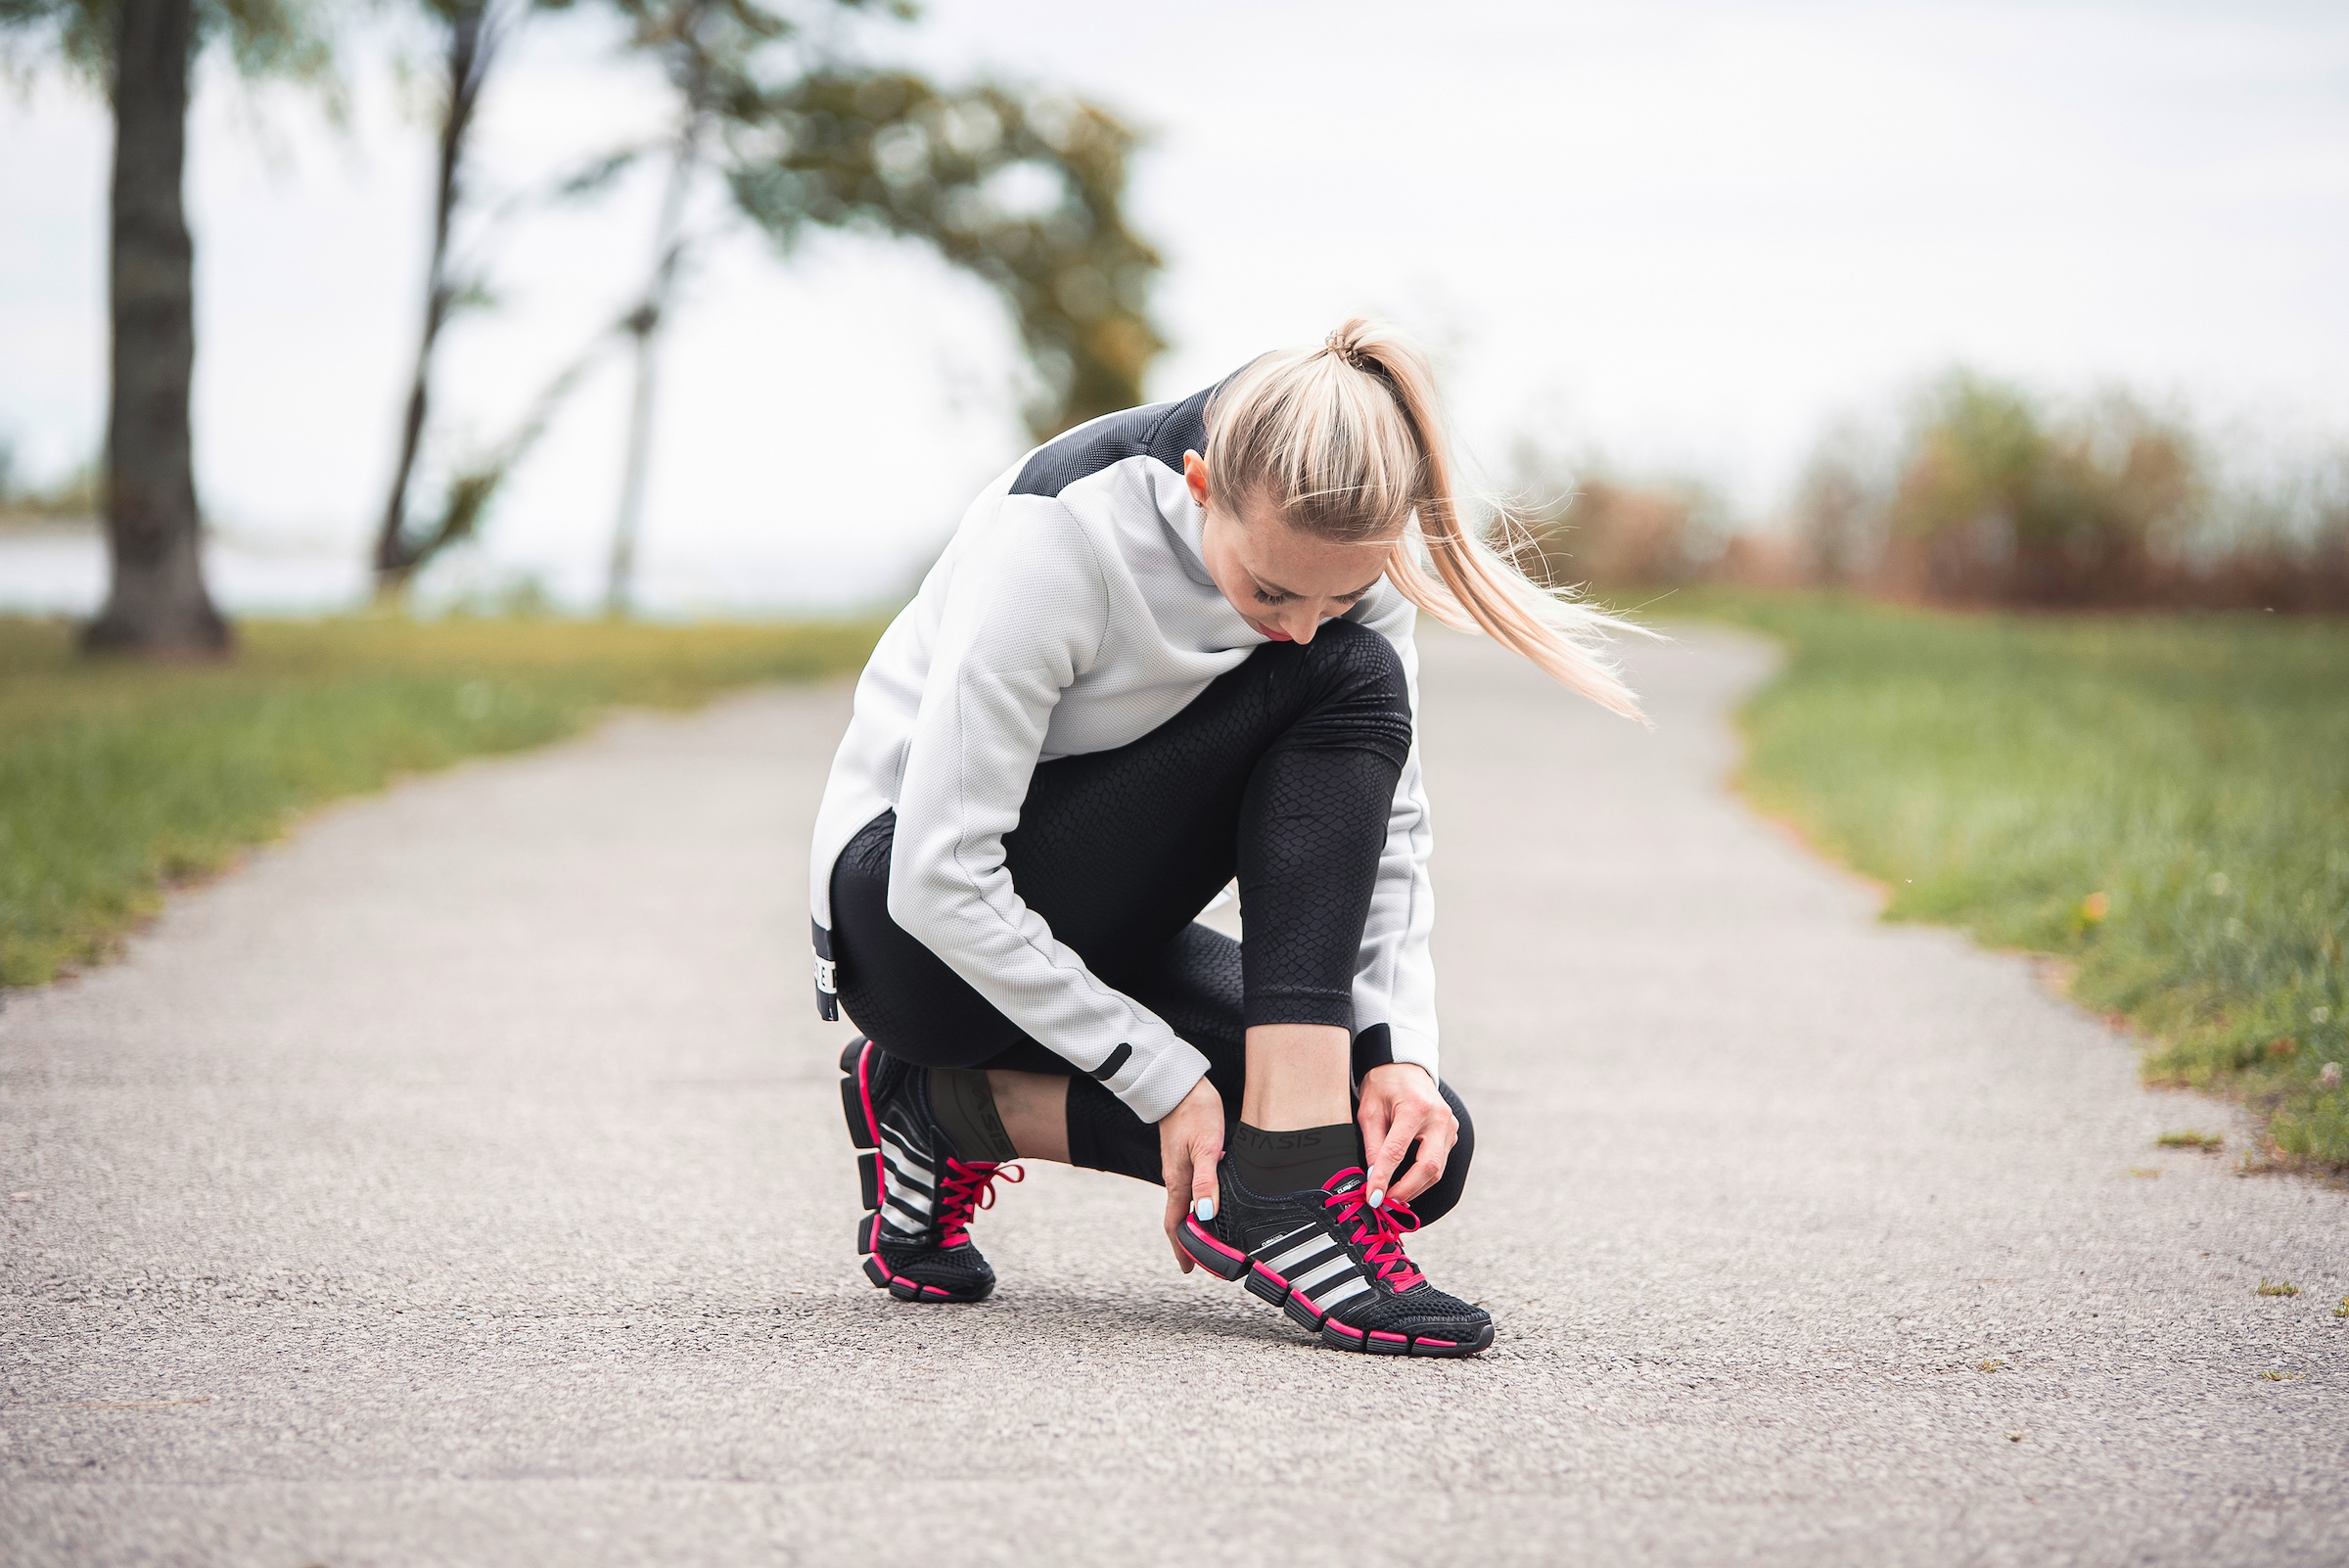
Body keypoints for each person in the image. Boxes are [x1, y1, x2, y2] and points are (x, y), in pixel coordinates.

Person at [809, 318, 1642, 1358]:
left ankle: (938, 1111)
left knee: (1412, 1154)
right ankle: (1284, 1183)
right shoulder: (1061, 534)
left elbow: (1387, 829)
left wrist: (1403, 1056)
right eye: (1272, 590)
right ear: (1201, 485)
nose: (1300, 623)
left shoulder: (1348, 569)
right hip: (913, 938)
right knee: (1345, 679)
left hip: (1094, 927)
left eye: (1341, 594)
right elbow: (937, 878)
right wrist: (1159, 1074)